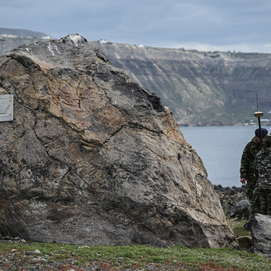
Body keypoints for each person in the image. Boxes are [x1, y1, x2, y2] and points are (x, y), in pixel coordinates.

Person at [240, 128, 268, 229]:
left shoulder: (268, 146)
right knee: (253, 198)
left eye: (265, 138)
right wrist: (243, 175)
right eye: (261, 138)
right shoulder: (250, 146)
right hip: (252, 177)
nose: (263, 140)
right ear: (256, 137)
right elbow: (244, 161)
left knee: (266, 199)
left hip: (266, 177)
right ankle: (252, 220)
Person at [254, 135, 271, 215]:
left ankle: (262, 224)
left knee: (263, 206)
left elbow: (255, 171)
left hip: (261, 184)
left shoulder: (258, 155)